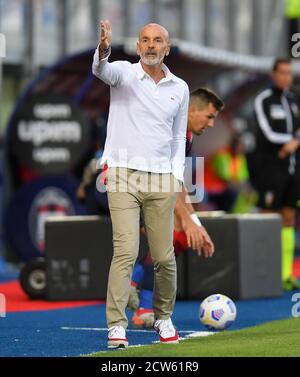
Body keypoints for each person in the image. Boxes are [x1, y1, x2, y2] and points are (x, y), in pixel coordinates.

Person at [92, 20, 193, 348]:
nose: (150, 45)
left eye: (157, 40)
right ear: (137, 47)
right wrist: (104, 49)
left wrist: (177, 175)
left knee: (164, 257)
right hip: (122, 174)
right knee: (126, 250)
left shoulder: (180, 87)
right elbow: (100, 70)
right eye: (145, 40)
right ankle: (116, 326)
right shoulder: (122, 72)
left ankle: (163, 317)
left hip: (162, 177)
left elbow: (180, 136)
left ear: (167, 47)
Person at [128, 88, 224, 328]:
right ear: (191, 110)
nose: (212, 124)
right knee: (170, 238)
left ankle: (132, 287)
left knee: (176, 238)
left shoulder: (186, 137)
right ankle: (142, 305)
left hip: (150, 184)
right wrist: (188, 221)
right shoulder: (170, 131)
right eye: (209, 116)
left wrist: (196, 225)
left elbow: (177, 182)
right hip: (129, 184)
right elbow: (165, 183)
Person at [254, 58, 300, 291]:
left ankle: (285, 274)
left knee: (290, 217)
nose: (286, 77)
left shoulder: (293, 100)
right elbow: (267, 133)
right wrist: (290, 142)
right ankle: (262, 273)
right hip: (270, 166)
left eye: (289, 73)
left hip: (292, 167)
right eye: (282, 72)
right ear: (273, 74)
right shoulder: (264, 99)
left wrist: (295, 142)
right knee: (267, 216)